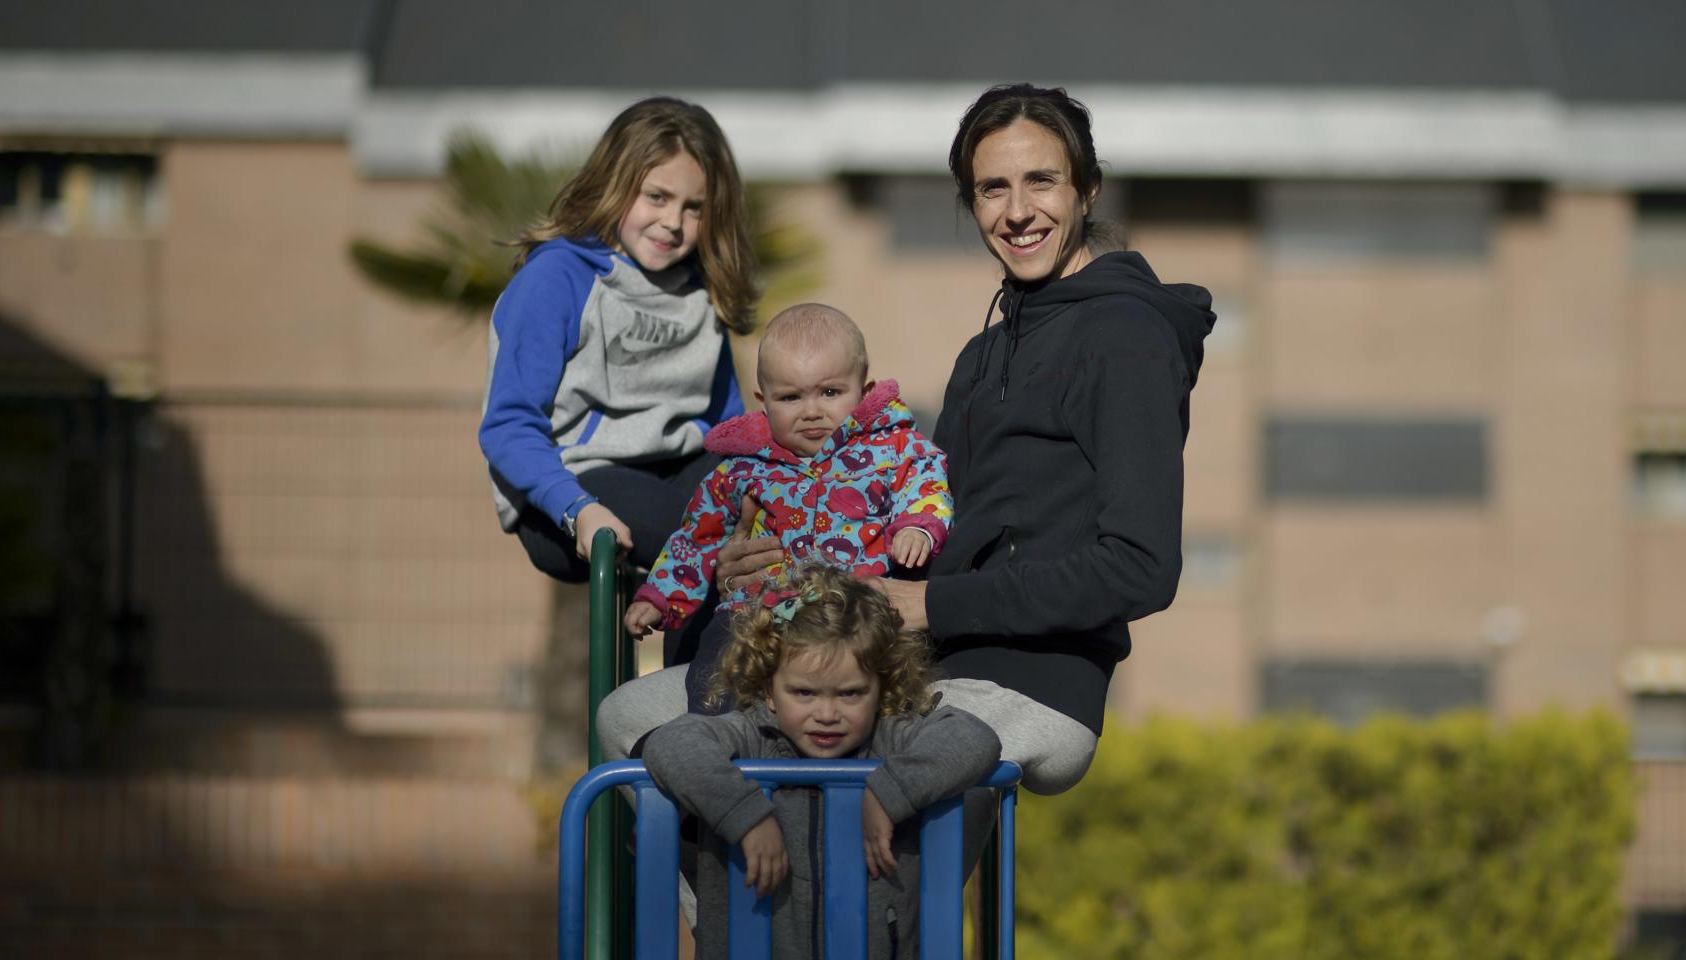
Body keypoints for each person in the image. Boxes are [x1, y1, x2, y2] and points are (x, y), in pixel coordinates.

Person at [603, 82, 1214, 797]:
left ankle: (802, 900)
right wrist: (766, 565)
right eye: (992, 189)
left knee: (820, 772)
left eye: (1041, 181)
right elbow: (911, 527)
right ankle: (722, 910)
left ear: (1088, 191)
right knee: (630, 716)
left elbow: (1141, 568)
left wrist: (933, 607)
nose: (1017, 212)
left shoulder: (1126, 337)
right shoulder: (983, 356)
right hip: (922, 663)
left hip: (1031, 682)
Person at [478, 96, 757, 643]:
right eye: (657, 197)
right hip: (573, 484)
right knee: (706, 537)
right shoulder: (558, 276)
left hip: (675, 473)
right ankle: (703, 702)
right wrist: (576, 509)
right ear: (616, 181)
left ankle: (720, 694)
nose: (673, 223)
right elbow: (508, 425)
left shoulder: (702, 289)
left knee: (769, 508)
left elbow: (727, 428)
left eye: (694, 207)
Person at [641, 564, 1000, 960]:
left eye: (850, 694)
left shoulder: (889, 736)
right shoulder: (750, 735)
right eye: (804, 693)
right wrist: (747, 817)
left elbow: (974, 737)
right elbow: (670, 743)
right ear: (769, 690)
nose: (827, 713)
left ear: (880, 687)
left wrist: (888, 793)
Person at [622, 303, 951, 713]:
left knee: (891, 659)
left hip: (853, 606)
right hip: (761, 609)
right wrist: (660, 596)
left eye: (830, 392)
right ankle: (717, 736)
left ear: (864, 392)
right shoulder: (741, 469)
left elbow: (926, 478)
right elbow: (696, 537)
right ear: (764, 401)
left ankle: (884, 741)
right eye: (791, 397)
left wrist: (918, 526)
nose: (812, 410)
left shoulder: (890, 448)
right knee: (719, 657)